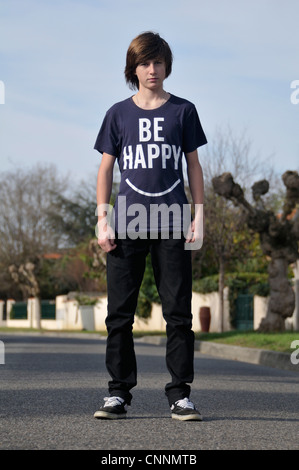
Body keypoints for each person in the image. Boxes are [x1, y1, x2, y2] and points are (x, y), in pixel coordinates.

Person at [93, 31, 207, 421]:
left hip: (174, 222)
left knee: (178, 313)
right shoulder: (117, 114)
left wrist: (200, 215)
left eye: (158, 62)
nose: (152, 69)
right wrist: (102, 218)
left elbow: (193, 165)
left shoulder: (183, 111)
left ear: (167, 66)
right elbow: (106, 168)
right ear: (134, 68)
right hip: (127, 223)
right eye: (144, 63)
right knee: (119, 315)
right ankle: (118, 394)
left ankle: (180, 395)